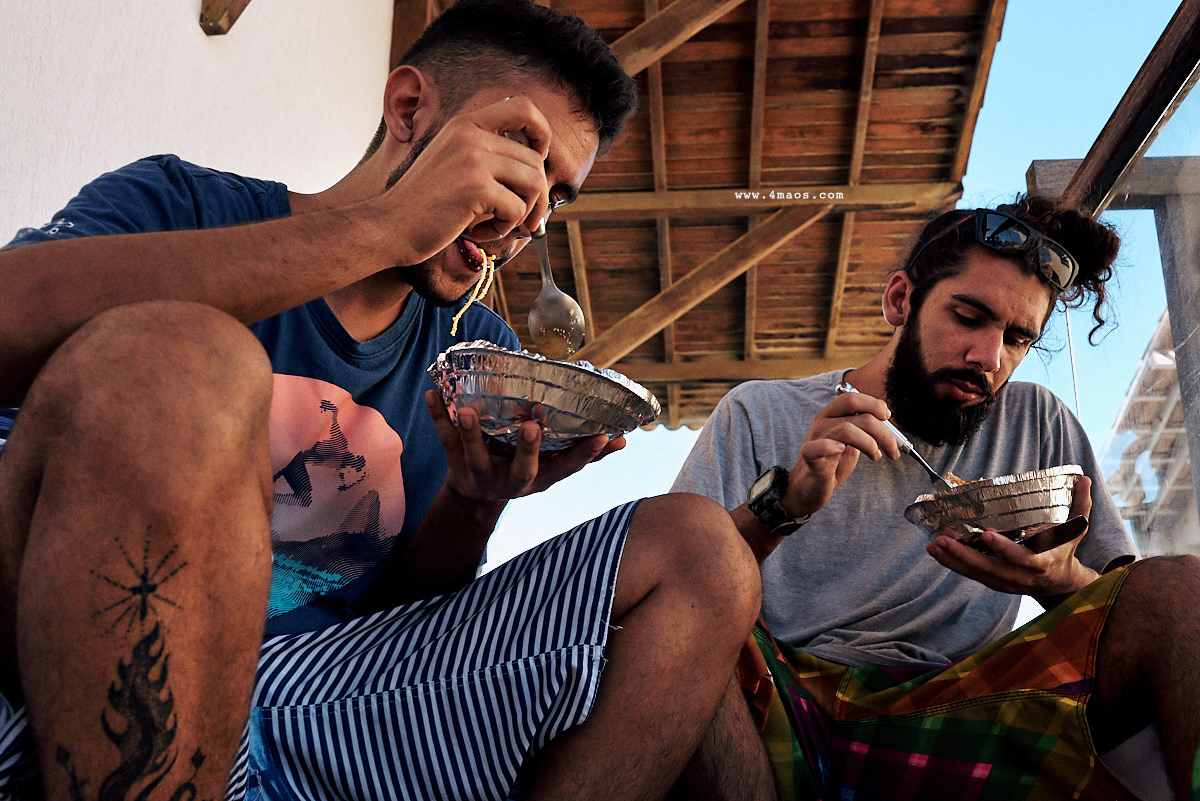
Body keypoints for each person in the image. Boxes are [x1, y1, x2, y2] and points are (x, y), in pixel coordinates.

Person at [0, 2, 762, 800]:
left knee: (703, 555)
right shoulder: (181, 207)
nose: (530, 216)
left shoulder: (478, 357)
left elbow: (398, 619)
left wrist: (472, 504)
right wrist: (389, 227)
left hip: (320, 701)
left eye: (556, 195)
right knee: (192, 361)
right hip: (88, 655)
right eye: (516, 152)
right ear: (408, 109)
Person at [670, 195, 1200, 800]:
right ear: (901, 300)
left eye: (1018, 337)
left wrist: (1054, 580)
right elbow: (680, 577)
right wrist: (784, 505)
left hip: (965, 698)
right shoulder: (760, 412)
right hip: (784, 690)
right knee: (664, 620)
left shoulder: (1037, 423)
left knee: (1180, 587)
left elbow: (1123, 608)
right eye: (969, 316)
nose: (988, 358)